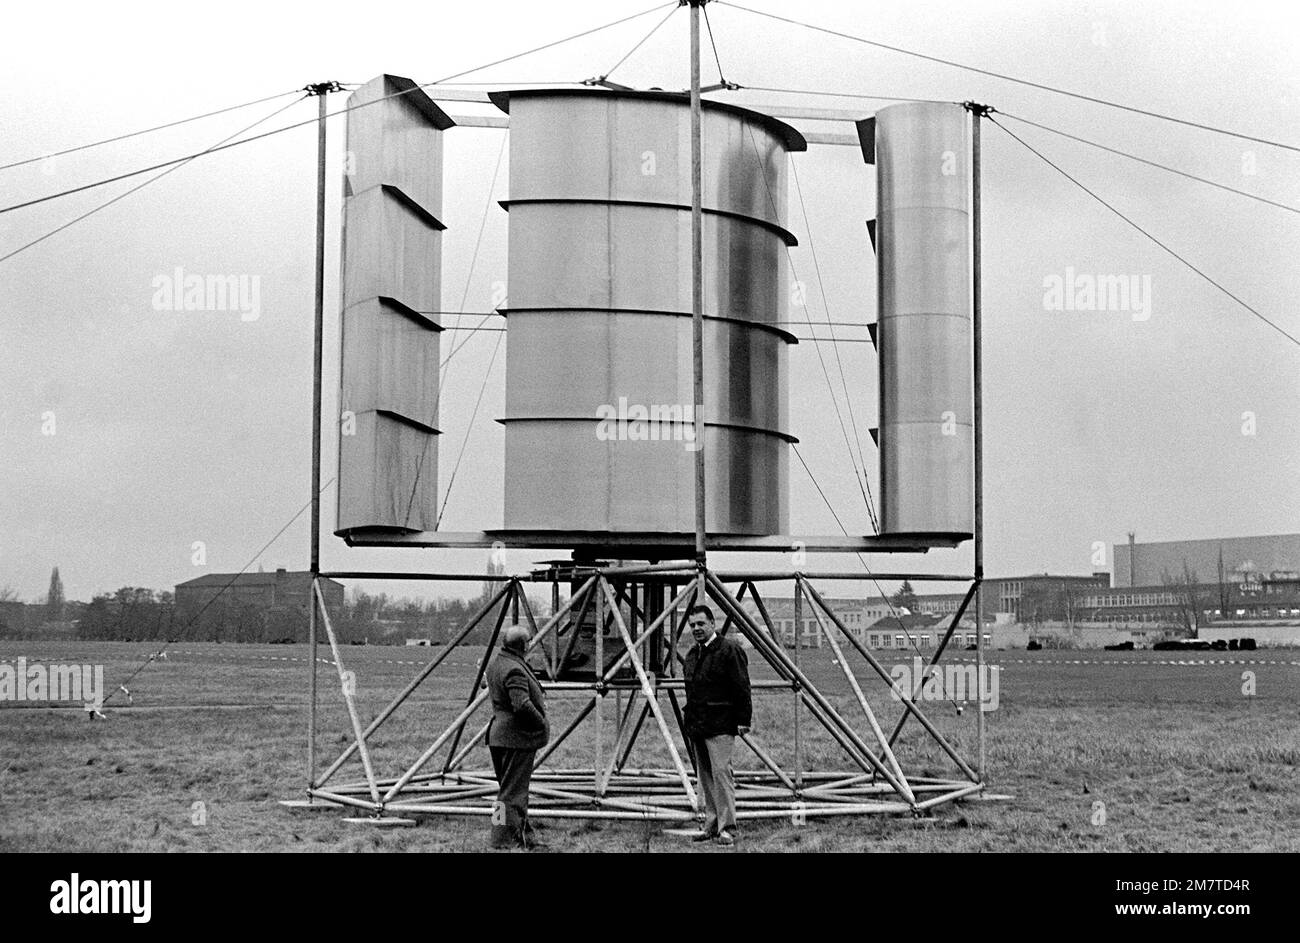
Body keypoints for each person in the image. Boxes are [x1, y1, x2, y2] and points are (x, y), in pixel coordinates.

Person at [681, 603, 752, 846]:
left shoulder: (729, 650)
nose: (696, 628)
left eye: (701, 623)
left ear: (712, 623)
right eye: (692, 625)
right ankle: (711, 826)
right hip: (699, 725)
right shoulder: (693, 654)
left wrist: (743, 720)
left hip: (721, 723)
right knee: (706, 777)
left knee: (722, 774)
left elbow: (741, 687)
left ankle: (728, 828)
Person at [485, 624, 549, 849]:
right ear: (523, 645)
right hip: (516, 738)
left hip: (499, 737)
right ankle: (503, 841)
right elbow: (521, 704)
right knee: (513, 794)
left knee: (506, 792)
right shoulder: (514, 669)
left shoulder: (496, 663)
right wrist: (540, 723)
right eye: (529, 642)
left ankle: (515, 835)